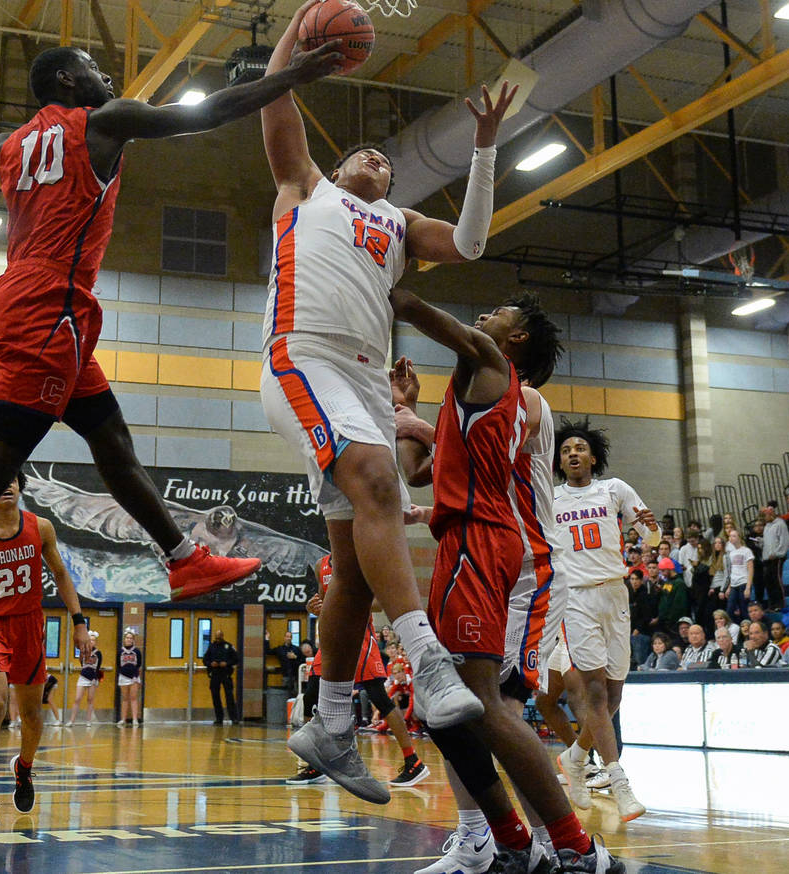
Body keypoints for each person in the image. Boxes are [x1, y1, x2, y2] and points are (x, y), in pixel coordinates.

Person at [0, 31, 346, 720]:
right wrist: (293, 73)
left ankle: (183, 558)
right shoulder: (101, 122)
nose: (104, 73)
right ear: (64, 81)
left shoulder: (8, 145)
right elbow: (205, 113)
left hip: (37, 303)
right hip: (49, 305)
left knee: (112, 442)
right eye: (90, 65)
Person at [256, 3, 521, 802]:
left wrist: (483, 148)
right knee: (375, 482)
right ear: (337, 171)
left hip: (366, 380)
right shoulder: (304, 188)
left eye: (385, 156)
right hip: (302, 356)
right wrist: (299, 34)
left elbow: (472, 243)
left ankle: (331, 723)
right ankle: (427, 662)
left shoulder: (398, 225)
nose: (373, 156)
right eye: (360, 152)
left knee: (356, 569)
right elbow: (273, 99)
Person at [392, 298, 618, 873]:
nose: (486, 311)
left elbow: (442, 444)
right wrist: (406, 412)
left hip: (521, 563)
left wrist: (376, 271)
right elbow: (419, 470)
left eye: (500, 313)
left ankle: (556, 843)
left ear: (514, 342)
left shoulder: (523, 395)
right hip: (475, 547)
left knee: (492, 707)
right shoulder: (471, 388)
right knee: (444, 704)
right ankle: (495, 837)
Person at [0, 472, 90, 827]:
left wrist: (79, 622)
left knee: (31, 714)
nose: (6, 485)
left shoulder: (40, 527)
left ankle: (24, 768)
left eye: (12, 479)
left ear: (20, 486)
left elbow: (61, 574)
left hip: (29, 628)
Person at [552, 418, 659, 823]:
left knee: (613, 698)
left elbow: (650, 537)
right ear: (559, 462)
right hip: (575, 598)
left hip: (615, 593)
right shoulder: (549, 496)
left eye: (579, 448)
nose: (572, 453)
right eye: (565, 450)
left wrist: (650, 532)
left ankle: (575, 757)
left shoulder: (614, 489)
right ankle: (618, 781)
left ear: (593, 457)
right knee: (595, 693)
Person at [291, 556, 430, 789]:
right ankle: (314, 764)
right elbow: (324, 602)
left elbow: (380, 601)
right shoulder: (321, 565)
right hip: (331, 639)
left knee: (379, 697)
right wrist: (312, 608)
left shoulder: (360, 561)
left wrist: (345, 603)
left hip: (359, 638)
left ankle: (413, 761)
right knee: (310, 698)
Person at [203, 629, 239, 725]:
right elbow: (205, 659)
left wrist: (227, 663)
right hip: (215, 674)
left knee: (229, 697)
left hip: (226, 674)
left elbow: (236, 659)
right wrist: (211, 664)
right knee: (215, 697)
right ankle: (219, 718)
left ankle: (234, 718)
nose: (217, 640)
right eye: (216, 638)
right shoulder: (212, 647)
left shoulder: (228, 646)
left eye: (219, 638)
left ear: (222, 636)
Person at [68, 631, 102, 725]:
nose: (91, 642)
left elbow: (98, 667)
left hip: (93, 678)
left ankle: (88, 720)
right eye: (90, 640)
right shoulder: (83, 651)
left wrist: (96, 678)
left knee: (90, 699)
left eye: (93, 640)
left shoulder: (98, 653)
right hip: (83, 677)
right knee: (77, 698)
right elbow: (81, 663)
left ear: (96, 642)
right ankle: (72, 720)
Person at [760, 505, 789, 609]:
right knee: (768, 582)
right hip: (767, 558)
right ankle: (772, 604)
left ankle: (781, 604)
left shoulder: (780, 524)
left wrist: (777, 553)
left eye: (765, 516)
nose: (764, 519)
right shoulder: (767, 526)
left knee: (777, 581)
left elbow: (784, 541)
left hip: (777, 558)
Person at [723, 529, 754, 623]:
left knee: (744, 610)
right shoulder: (731, 553)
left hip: (743, 582)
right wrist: (729, 587)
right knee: (729, 610)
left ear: (739, 538)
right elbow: (733, 571)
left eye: (733, 536)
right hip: (734, 584)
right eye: (730, 536)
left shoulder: (746, 551)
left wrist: (748, 587)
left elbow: (751, 569)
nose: (731, 538)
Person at [266, 629, 304, 693]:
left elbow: (302, 661)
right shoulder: (280, 649)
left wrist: (295, 657)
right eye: (287, 636)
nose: (288, 638)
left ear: (292, 638)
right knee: (285, 694)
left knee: (296, 694)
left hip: (296, 676)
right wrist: (267, 638)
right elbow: (268, 651)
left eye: (290, 637)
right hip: (285, 676)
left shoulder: (296, 649)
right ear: (284, 638)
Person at [117, 628, 142, 726]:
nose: (128, 640)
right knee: (125, 698)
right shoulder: (120, 651)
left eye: (130, 638)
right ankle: (123, 719)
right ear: (124, 639)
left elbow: (139, 664)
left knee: (134, 698)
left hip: (134, 677)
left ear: (133, 640)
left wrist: (135, 675)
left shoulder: (137, 651)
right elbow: (118, 664)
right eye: (127, 638)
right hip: (123, 676)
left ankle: (135, 719)